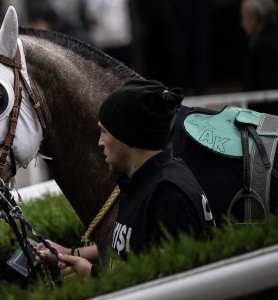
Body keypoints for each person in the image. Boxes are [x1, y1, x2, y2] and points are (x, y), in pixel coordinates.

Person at [36, 79, 214, 278]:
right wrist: (82, 264)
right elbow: (137, 255)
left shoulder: (168, 196)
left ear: (128, 137)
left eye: (104, 131)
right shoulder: (144, 182)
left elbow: (169, 285)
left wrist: (93, 275)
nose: (100, 142)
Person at [240, 0, 278, 115]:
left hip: (273, 123)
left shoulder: (262, 48)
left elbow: (269, 97)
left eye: (244, 17)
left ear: (255, 19)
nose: (242, 23)